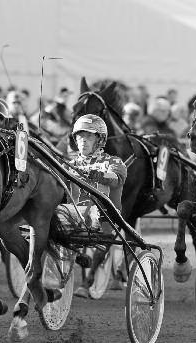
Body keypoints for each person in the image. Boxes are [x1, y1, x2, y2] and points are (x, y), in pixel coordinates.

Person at [62, 114, 127, 298]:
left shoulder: (114, 162)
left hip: (105, 217)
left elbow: (117, 179)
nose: (83, 140)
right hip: (73, 215)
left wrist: (94, 174)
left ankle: (84, 276)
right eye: (80, 136)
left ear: (100, 139)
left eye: (89, 136)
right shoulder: (69, 163)